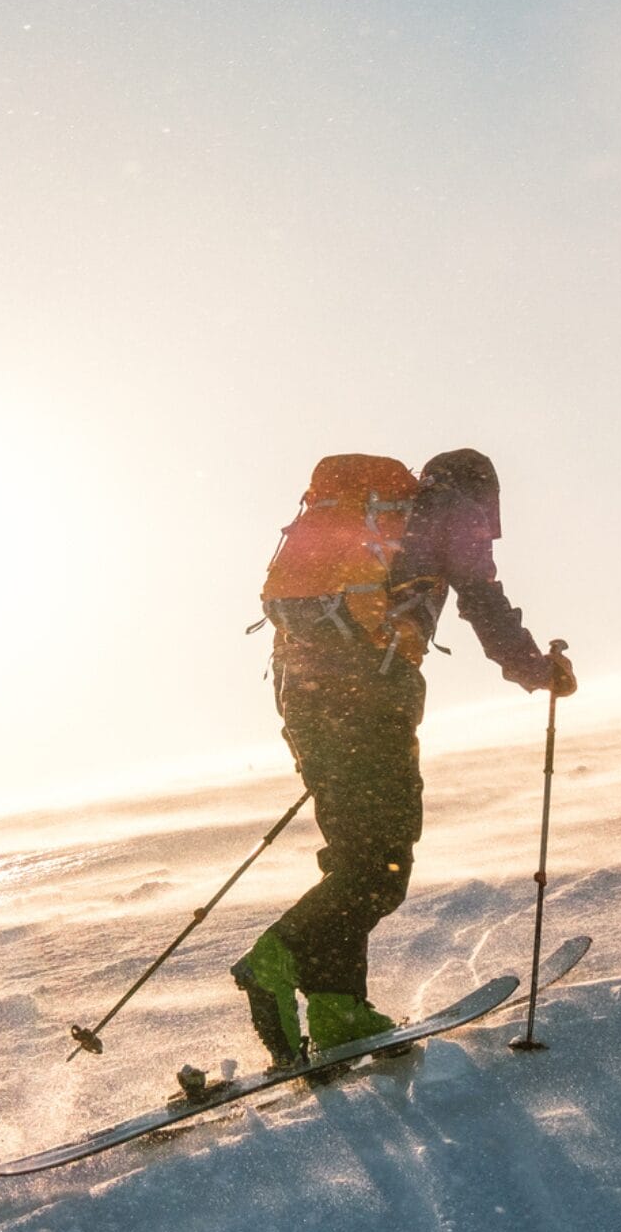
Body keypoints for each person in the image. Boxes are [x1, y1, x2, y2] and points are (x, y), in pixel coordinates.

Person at [229, 448, 575, 1065]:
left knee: (356, 859)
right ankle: (275, 957)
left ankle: (340, 1012)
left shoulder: (367, 522)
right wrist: (538, 670)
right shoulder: (449, 510)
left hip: (303, 696)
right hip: (368, 697)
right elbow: (482, 600)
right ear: (482, 493)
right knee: (381, 864)